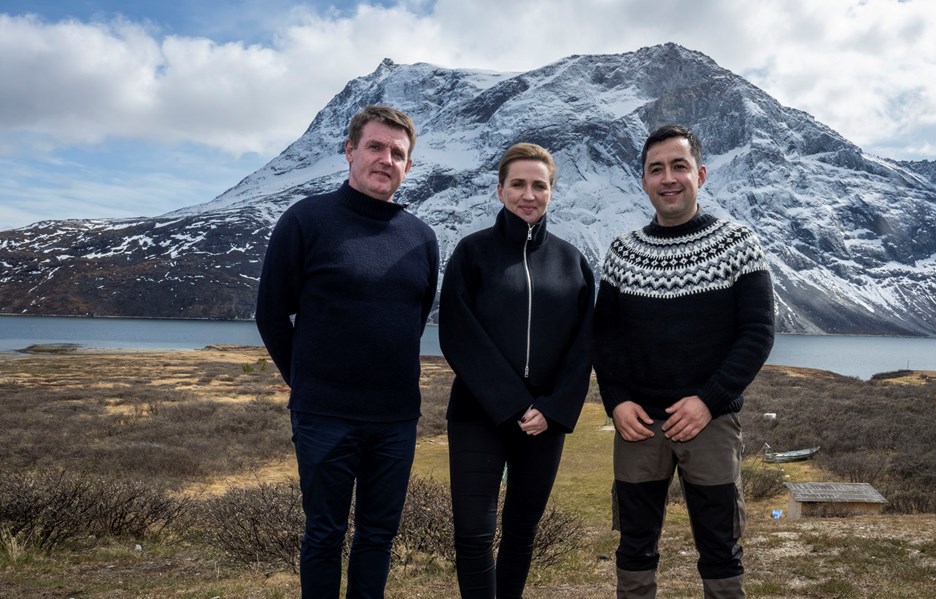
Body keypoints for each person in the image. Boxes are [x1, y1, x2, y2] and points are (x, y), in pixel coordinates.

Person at [255, 105, 439, 599]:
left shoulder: (421, 238)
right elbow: (271, 313)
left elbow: (412, 318)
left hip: (395, 418)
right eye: (375, 148)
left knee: (379, 536)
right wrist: (307, 379)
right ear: (350, 151)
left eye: (398, 153)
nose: (386, 160)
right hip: (324, 414)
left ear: (409, 166)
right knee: (324, 534)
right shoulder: (306, 220)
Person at [593, 125, 775, 599]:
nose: (668, 178)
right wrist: (616, 401)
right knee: (634, 543)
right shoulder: (622, 252)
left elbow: (757, 334)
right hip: (639, 426)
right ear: (643, 181)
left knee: (719, 543)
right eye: (657, 169)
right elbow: (605, 339)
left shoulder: (738, 243)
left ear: (701, 173)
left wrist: (708, 401)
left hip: (710, 422)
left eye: (679, 166)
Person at [438, 142, 595, 598]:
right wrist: (513, 403)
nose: (529, 194)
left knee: (521, 532)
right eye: (519, 184)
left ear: (551, 192)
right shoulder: (472, 253)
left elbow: (583, 347)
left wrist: (552, 409)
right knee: (473, 535)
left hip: (545, 422)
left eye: (539, 185)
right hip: (477, 416)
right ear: (500, 189)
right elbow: (458, 334)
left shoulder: (573, 262)